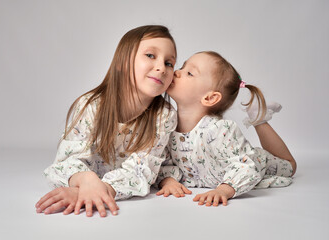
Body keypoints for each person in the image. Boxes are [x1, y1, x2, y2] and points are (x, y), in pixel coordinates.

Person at [35, 25, 178, 217]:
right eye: (151, 55)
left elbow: (140, 170)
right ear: (122, 62)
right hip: (90, 180)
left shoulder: (163, 115)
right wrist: (85, 180)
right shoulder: (91, 105)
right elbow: (66, 160)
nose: (162, 67)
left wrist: (94, 191)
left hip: (111, 184)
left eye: (169, 63)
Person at [156, 51, 297, 207]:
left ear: (209, 98)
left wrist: (224, 189)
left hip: (254, 159)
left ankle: (259, 120)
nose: (176, 72)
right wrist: (168, 181)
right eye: (182, 67)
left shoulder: (219, 130)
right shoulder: (167, 124)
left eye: (189, 73)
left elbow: (246, 166)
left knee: (290, 166)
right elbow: (164, 162)